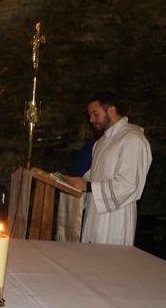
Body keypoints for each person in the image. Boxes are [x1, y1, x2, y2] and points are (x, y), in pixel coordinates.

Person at [65, 92, 152, 246]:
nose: (91, 120)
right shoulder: (100, 142)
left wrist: (87, 186)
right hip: (94, 213)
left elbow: (129, 184)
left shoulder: (133, 138)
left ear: (111, 110)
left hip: (116, 216)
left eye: (95, 114)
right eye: (90, 115)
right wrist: (75, 182)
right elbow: (96, 175)